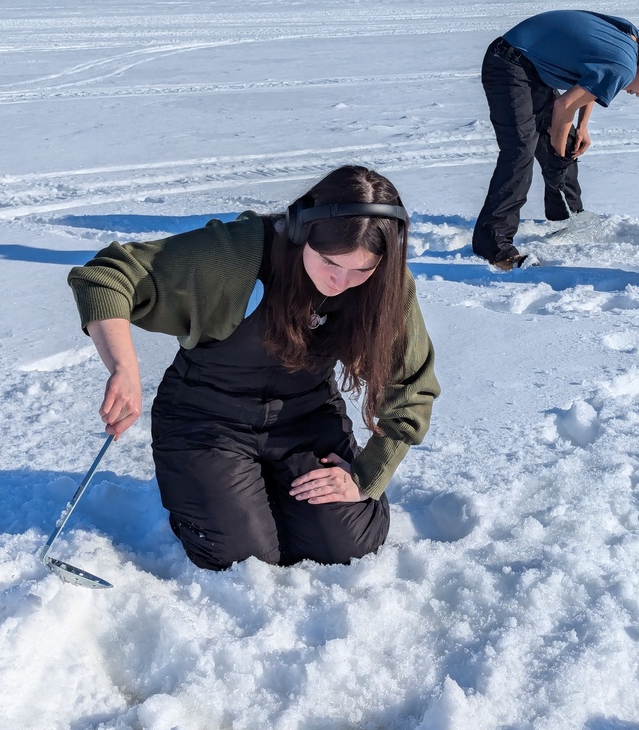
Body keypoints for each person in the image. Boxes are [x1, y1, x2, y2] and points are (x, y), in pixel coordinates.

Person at [67, 166, 440, 571]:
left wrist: (367, 476)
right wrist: (124, 367)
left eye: (361, 270)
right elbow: (106, 277)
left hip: (305, 420)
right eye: (330, 261)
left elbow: (411, 388)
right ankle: (203, 490)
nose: (340, 281)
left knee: (346, 546)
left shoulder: (385, 285)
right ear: (301, 233)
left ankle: (266, 491)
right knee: (242, 558)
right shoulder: (235, 256)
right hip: (206, 421)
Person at [472, 10, 639, 270]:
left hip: (531, 65)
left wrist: (582, 127)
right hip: (508, 62)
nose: (638, 94)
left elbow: (591, 83)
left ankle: (566, 216)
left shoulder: (630, 38)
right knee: (520, 151)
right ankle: (492, 243)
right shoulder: (624, 67)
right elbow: (564, 105)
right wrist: (556, 155)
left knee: (569, 141)